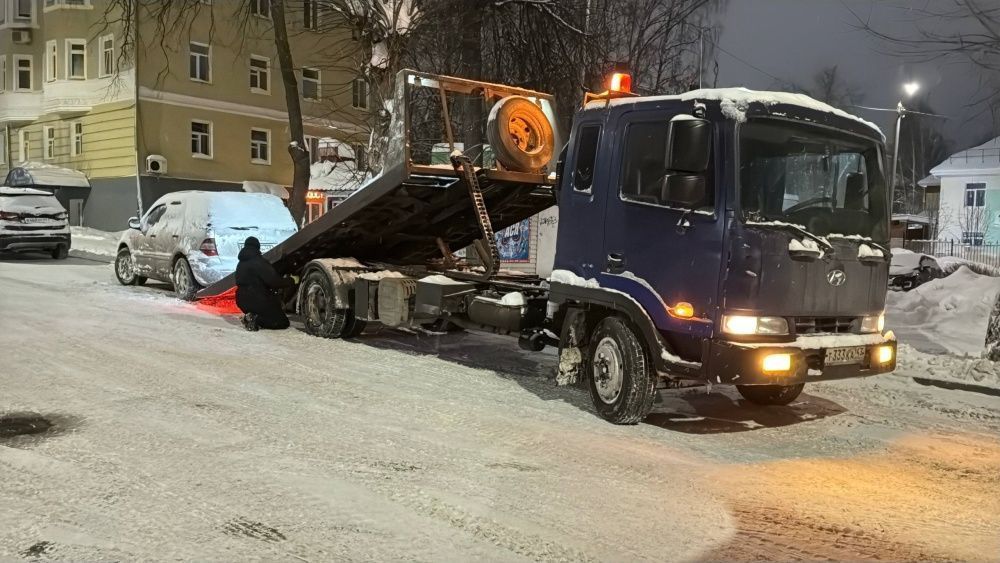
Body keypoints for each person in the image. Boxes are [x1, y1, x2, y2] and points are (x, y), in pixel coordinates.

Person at [235, 236, 295, 331]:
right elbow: (274, 281)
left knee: (267, 313)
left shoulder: (241, 263)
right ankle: (254, 319)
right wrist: (290, 281)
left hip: (241, 300)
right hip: (257, 299)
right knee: (282, 322)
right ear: (257, 247)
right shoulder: (258, 261)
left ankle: (252, 316)